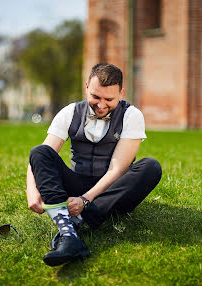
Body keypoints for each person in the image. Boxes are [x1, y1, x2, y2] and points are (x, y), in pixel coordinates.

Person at [26, 63, 162, 267]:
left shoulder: (131, 115)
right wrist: (31, 189)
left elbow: (117, 170)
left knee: (151, 166)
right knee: (38, 151)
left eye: (109, 99)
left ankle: (77, 220)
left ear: (121, 93)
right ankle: (68, 234)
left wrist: (85, 200)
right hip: (77, 184)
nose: (101, 105)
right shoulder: (69, 112)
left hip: (115, 194)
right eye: (96, 97)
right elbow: (42, 154)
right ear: (87, 86)